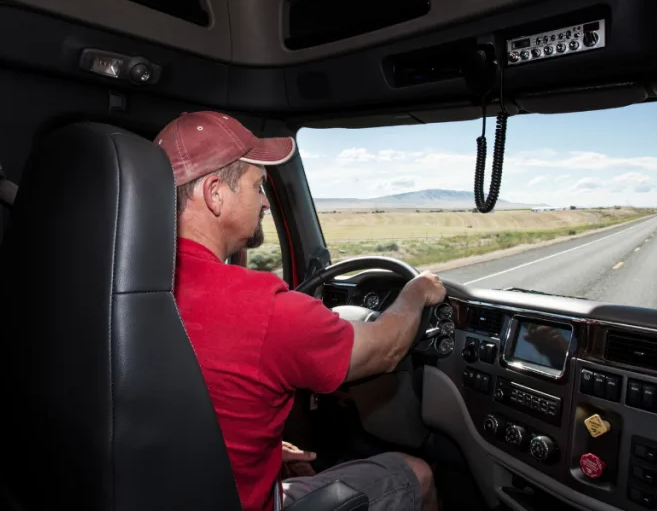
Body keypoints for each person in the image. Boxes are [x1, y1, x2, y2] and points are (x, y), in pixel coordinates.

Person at [154, 111, 446, 511]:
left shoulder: (131, 289)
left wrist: (263, 455)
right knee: (418, 474)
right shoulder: (262, 308)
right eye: (258, 186)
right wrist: (416, 292)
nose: (264, 203)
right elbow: (386, 348)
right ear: (215, 193)